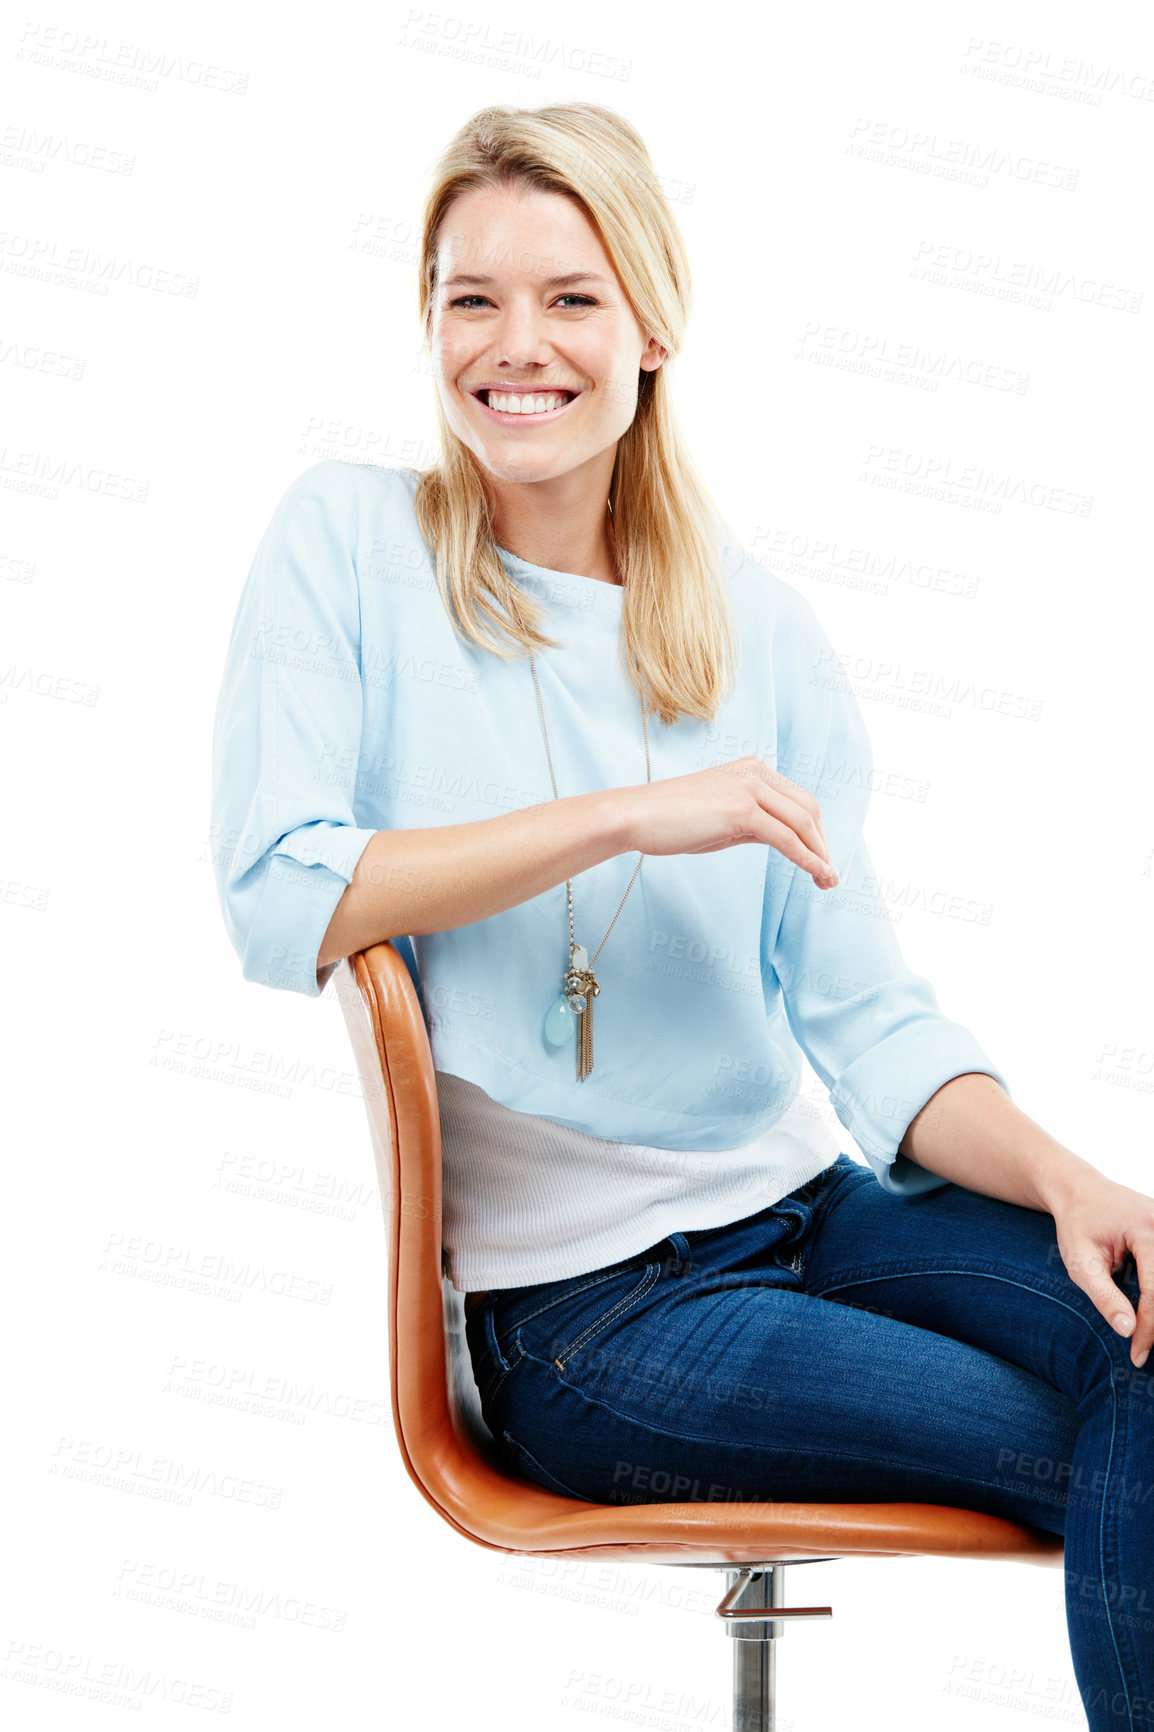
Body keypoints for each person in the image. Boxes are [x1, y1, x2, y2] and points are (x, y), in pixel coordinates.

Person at [210, 102, 1154, 1727]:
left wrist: (1074, 1182)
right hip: (589, 1317)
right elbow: (278, 890)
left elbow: (868, 1025)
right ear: (426, 321)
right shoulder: (348, 547)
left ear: (652, 326)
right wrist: (629, 813)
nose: (516, 346)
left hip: (811, 1214)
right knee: (1107, 1449)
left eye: (570, 297)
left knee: (1139, 1340)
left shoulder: (755, 629)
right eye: (470, 297)